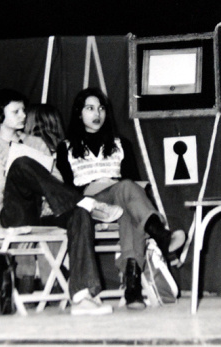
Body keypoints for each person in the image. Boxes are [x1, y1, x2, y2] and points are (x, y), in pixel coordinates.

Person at [0, 89, 121, 315]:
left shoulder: (36, 142)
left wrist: (46, 190)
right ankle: (84, 202)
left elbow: (57, 179)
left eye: (24, 110)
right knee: (21, 164)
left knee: (79, 214)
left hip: (45, 210)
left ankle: (82, 296)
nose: (24, 115)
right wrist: (8, 190)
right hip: (12, 211)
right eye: (16, 111)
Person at [56, 87, 186, 310]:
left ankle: (132, 288)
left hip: (120, 199)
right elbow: (68, 189)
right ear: (79, 113)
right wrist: (96, 186)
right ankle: (160, 235)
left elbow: (133, 182)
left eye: (101, 108)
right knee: (126, 190)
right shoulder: (65, 147)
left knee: (129, 206)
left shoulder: (121, 144)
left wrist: (114, 184)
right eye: (90, 108)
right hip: (89, 205)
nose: (97, 113)